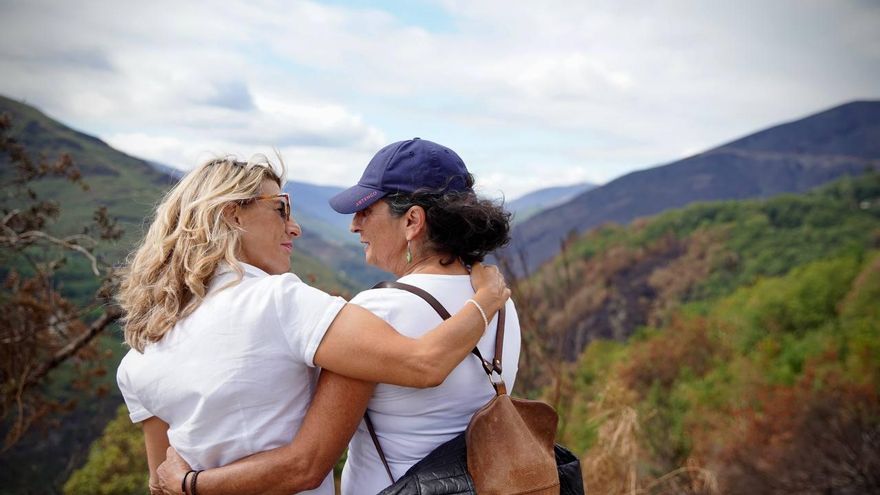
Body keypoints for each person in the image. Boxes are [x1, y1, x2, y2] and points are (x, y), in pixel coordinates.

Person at [116, 154, 509, 495]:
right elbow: (424, 364)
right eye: (281, 208)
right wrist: (488, 298)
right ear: (231, 213)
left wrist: (189, 485)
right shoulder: (278, 300)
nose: (296, 227)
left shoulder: (139, 356)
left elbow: (163, 481)